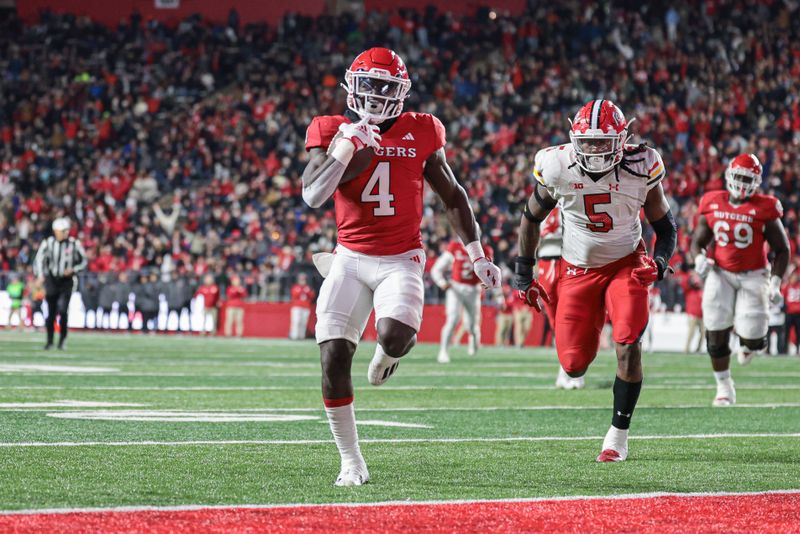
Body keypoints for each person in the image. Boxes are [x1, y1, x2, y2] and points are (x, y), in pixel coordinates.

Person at [301, 47, 501, 486]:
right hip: (350, 256)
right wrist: (345, 149)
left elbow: (453, 195)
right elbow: (313, 196)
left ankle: (385, 355)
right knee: (333, 356)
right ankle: (351, 461)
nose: (374, 95)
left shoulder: (422, 130)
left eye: (384, 87)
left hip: (400, 257)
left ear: (401, 92)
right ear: (352, 88)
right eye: (367, 85)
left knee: (396, 336)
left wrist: (477, 253)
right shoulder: (332, 128)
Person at [512, 100, 677, 462]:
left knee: (627, 340)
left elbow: (665, 228)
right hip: (577, 269)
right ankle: (594, 324)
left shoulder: (641, 165)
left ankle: (618, 434)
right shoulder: (556, 166)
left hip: (626, 264)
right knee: (573, 364)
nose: (595, 150)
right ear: (574, 139)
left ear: (621, 140)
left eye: (603, 142)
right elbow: (530, 217)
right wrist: (524, 274)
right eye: (587, 142)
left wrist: (660, 263)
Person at [690, 154, 790, 406]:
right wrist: (698, 258)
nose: (743, 183)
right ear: (729, 176)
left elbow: (782, 249)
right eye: (739, 177)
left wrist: (776, 281)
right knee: (714, 329)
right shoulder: (713, 202)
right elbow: (698, 242)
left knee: (754, 336)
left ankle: (748, 344)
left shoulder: (765, 207)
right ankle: (724, 386)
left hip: (754, 275)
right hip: (720, 272)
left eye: (748, 179)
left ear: (757, 181)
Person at [537, 208, 584, 390]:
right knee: (557, 323)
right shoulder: (541, 204)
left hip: (569, 263)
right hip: (547, 265)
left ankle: (574, 371)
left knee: (571, 320)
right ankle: (567, 370)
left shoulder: (571, 201)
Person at [431, 240, 493, 363]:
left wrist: (488, 281)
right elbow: (436, 268)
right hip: (456, 288)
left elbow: (490, 271)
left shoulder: (485, 250)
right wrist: (442, 282)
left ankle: (474, 340)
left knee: (471, 325)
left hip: (473, 290)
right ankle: (443, 351)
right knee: (452, 320)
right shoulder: (454, 247)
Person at [33, 217, 88, 349]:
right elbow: (39, 260)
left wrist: (73, 269)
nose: (64, 233)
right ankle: (50, 341)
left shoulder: (74, 243)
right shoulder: (48, 243)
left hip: (67, 281)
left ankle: (62, 340)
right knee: (51, 312)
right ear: (55, 231)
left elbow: (84, 261)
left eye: (65, 230)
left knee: (63, 310)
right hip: (52, 280)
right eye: (61, 231)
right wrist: (40, 276)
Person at [681, 270, 704, 353]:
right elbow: (684, 283)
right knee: (691, 333)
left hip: (702, 315)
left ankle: (698, 348)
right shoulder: (689, 291)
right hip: (692, 314)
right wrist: (691, 276)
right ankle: (687, 349)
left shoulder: (702, 292)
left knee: (703, 333)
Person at [289, 273, 315, 340]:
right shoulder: (296, 287)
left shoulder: (308, 288)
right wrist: (303, 291)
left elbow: (312, 296)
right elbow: (294, 295)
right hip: (297, 307)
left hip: (306, 307)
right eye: (301, 280)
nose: (302, 281)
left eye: (303, 280)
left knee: (303, 322)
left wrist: (306, 291)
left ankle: (301, 336)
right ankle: (294, 336)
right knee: (296, 321)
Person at [784, 271, 800, 354]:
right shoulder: (787, 286)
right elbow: (782, 297)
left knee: (798, 332)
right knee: (786, 331)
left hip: (798, 313)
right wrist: (783, 307)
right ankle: (784, 349)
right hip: (789, 313)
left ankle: (797, 349)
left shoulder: (798, 286)